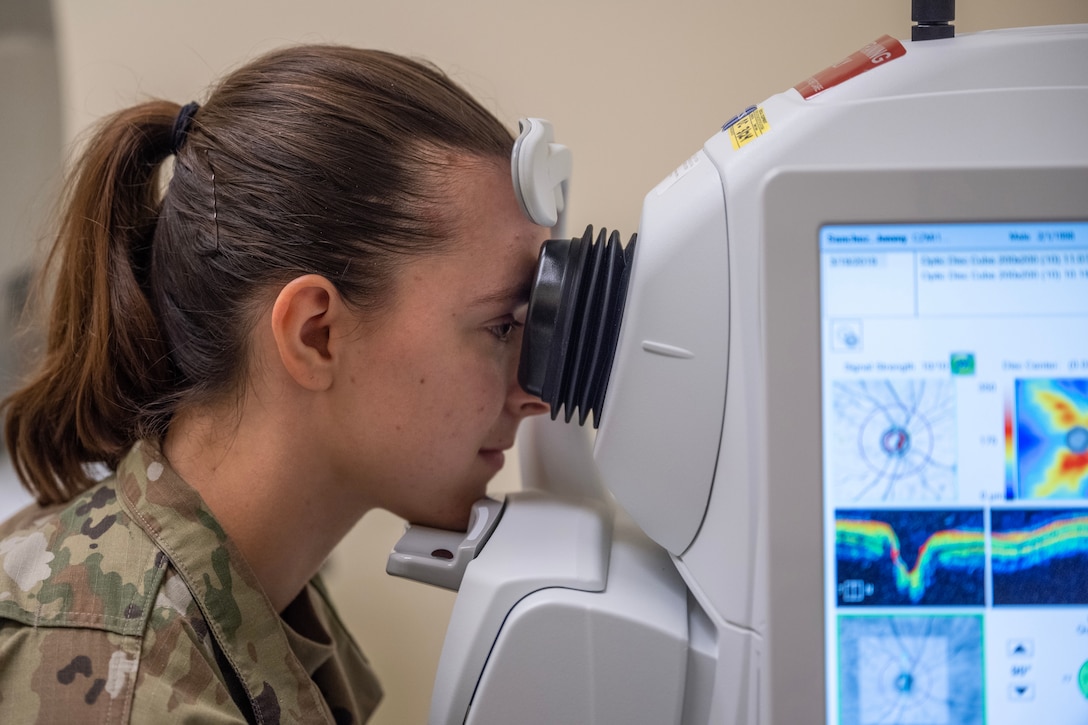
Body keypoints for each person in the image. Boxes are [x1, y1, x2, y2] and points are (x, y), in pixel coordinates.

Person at [0, 44, 550, 723]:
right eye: (501, 326)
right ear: (316, 333)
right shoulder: (128, 686)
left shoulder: (254, 590)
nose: (536, 394)